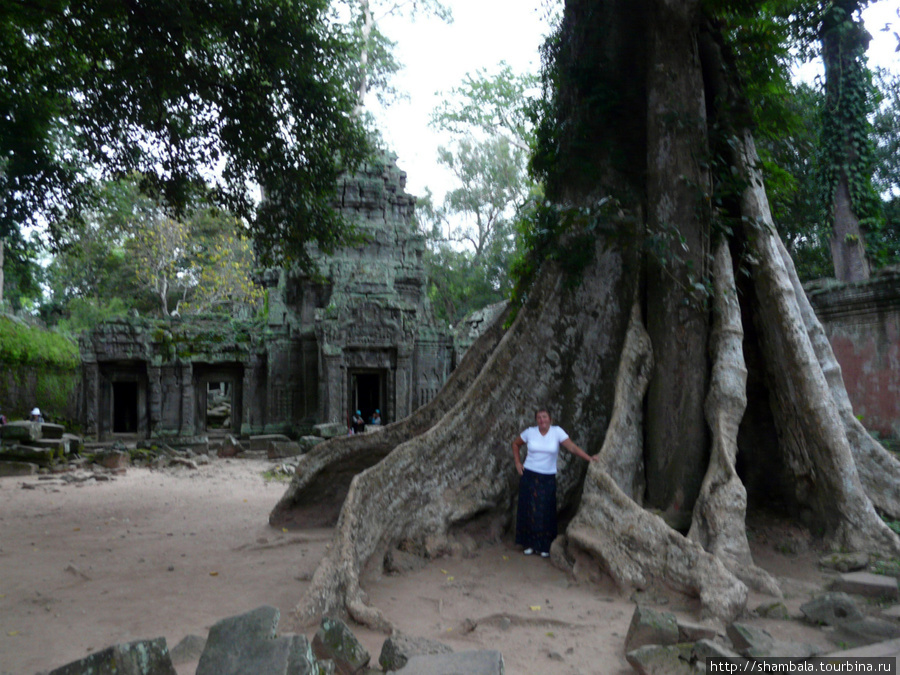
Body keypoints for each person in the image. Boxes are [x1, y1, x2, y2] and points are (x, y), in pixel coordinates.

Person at [512, 407, 595, 558]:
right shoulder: (530, 432)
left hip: (547, 476)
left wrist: (589, 458)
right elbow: (515, 444)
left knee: (545, 510)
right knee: (529, 509)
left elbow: (572, 447)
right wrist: (518, 463)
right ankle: (529, 543)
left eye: (544, 417)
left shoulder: (557, 432)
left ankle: (544, 545)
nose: (542, 420)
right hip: (529, 474)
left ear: (550, 419)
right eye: (539, 418)